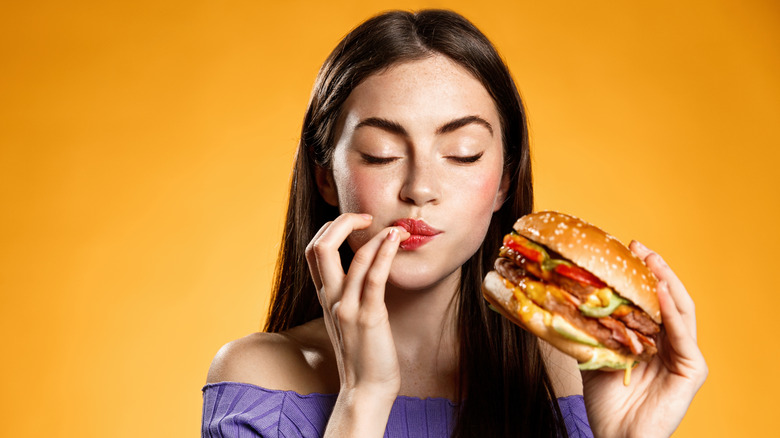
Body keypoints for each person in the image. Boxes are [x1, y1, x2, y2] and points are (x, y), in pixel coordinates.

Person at [202, 9, 707, 438]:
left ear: (505, 181)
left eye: (462, 154)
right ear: (325, 178)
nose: (420, 188)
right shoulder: (260, 378)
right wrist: (364, 398)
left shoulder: (572, 376)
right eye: (381, 155)